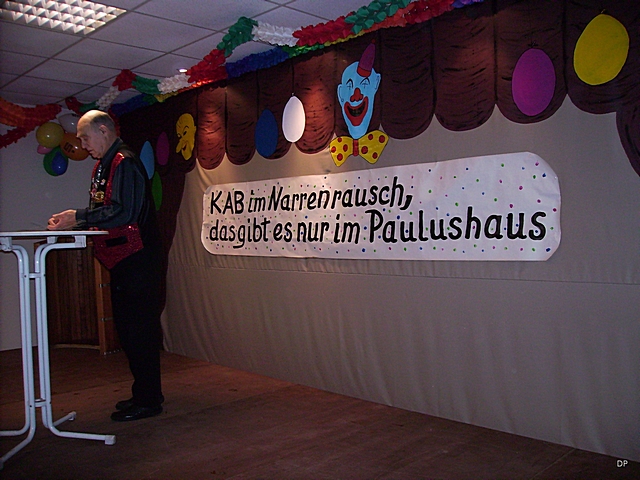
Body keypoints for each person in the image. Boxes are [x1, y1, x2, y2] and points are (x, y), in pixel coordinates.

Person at [48, 110, 164, 422]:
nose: (83, 145)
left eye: (85, 138)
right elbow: (107, 209)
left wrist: (78, 217)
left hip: (138, 259)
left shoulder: (124, 162)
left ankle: (149, 400)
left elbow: (124, 213)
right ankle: (144, 393)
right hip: (125, 259)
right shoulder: (106, 164)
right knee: (129, 331)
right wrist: (78, 220)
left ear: (103, 130)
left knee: (138, 331)